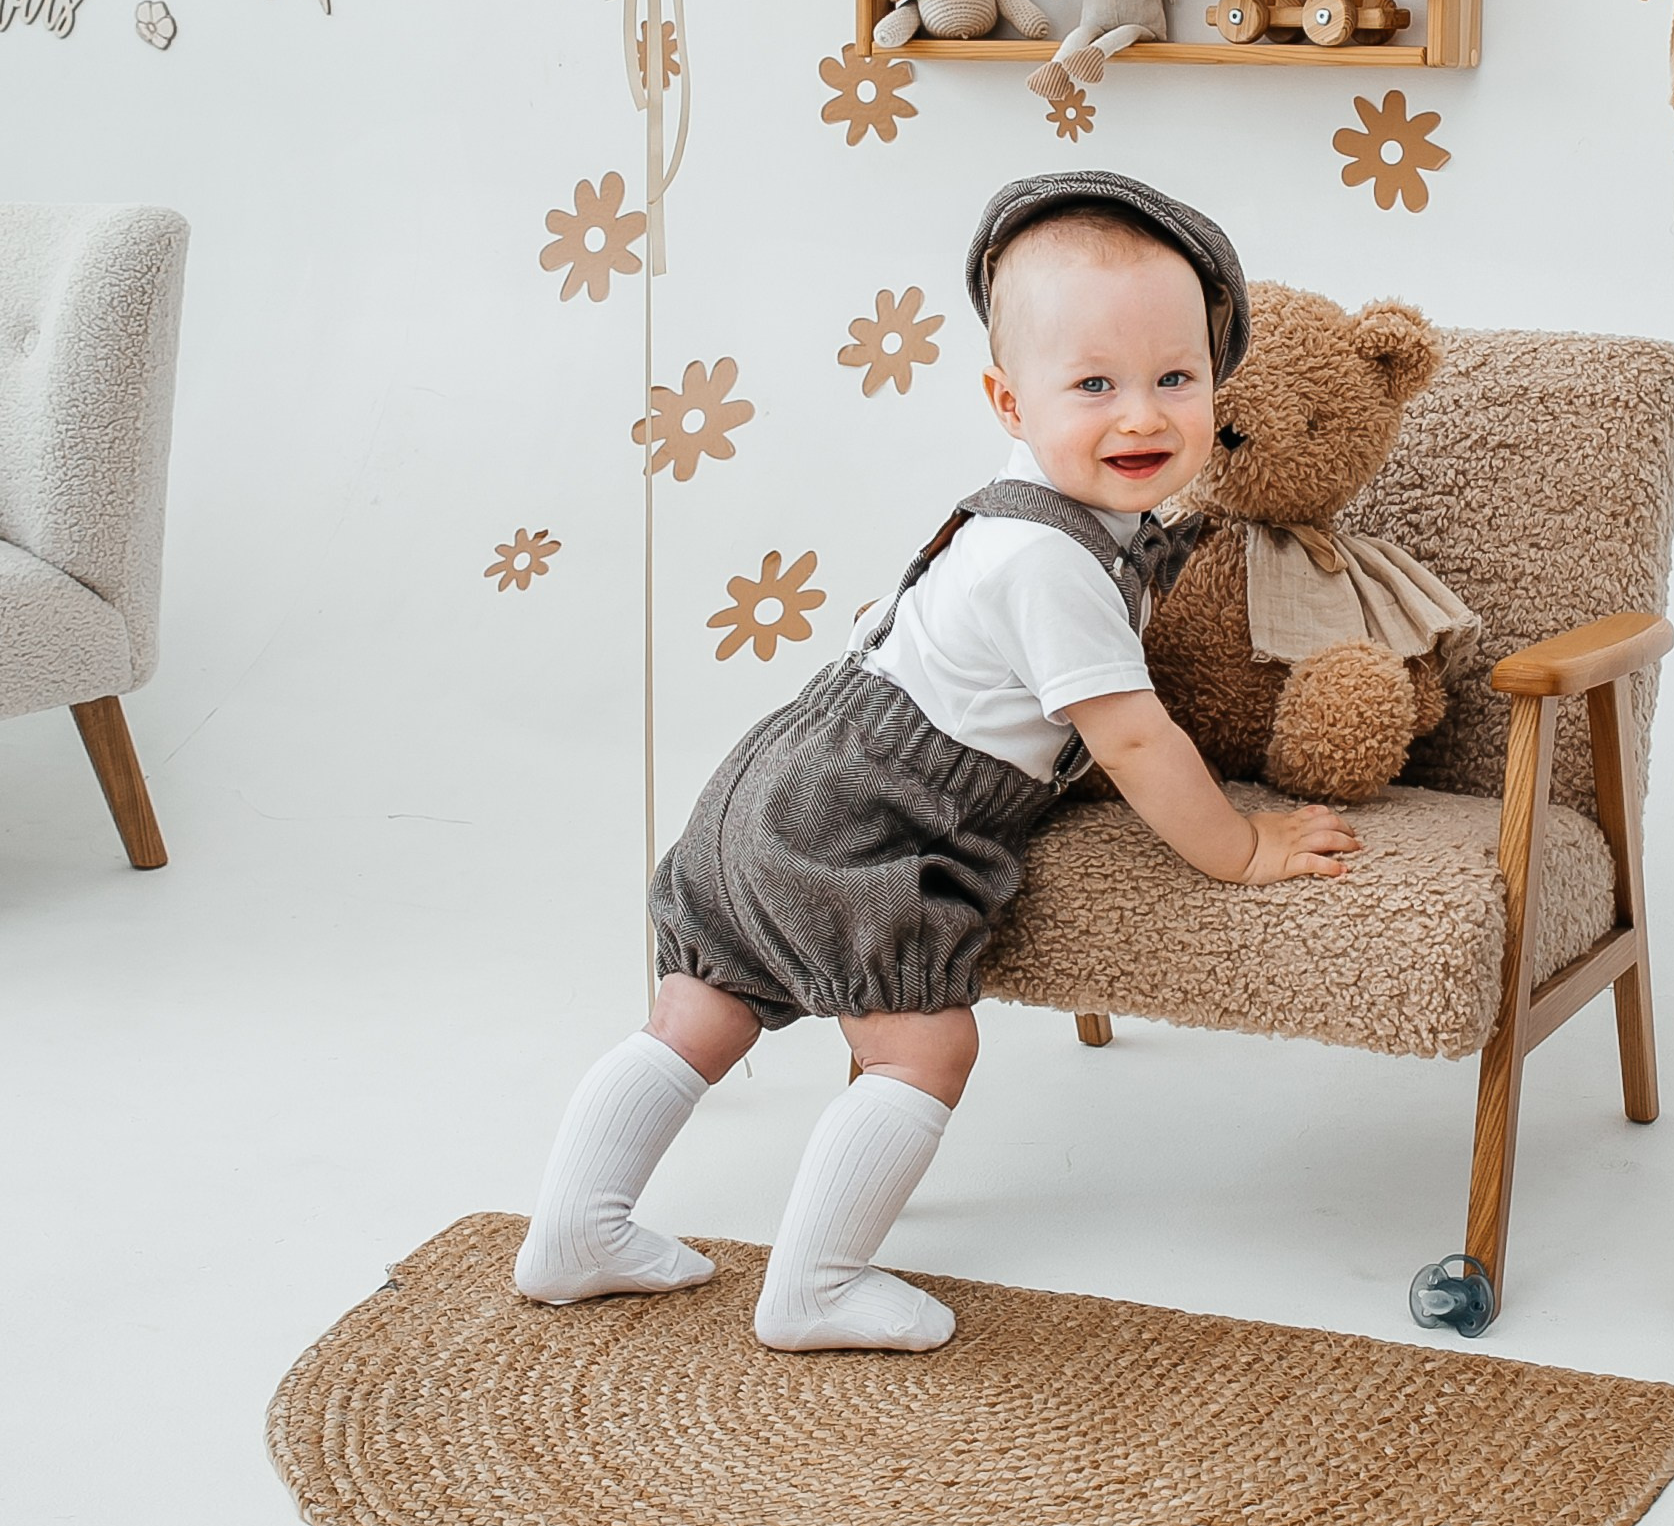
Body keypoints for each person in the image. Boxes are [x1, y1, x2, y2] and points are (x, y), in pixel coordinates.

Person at [513, 173, 1357, 1351]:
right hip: (870, 818)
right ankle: (818, 1285)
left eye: (1178, 379)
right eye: (1095, 386)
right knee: (926, 1041)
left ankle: (575, 1230)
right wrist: (1244, 845)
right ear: (1009, 398)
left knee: (698, 1008)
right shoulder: (1054, 567)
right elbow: (1131, 734)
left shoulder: (1016, 521)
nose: (1143, 418)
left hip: (780, 783)